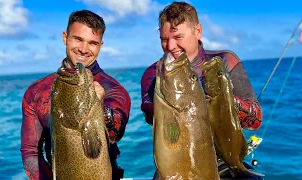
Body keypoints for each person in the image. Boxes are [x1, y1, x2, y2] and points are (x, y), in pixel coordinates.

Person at [140, 1, 263, 179]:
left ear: (197, 31)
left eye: (178, 37)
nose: (170, 46)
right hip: (178, 161)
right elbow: (150, 117)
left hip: (224, 161)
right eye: (164, 39)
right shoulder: (155, 72)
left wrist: (224, 98)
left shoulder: (224, 61)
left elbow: (255, 121)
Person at [20, 10, 131, 180]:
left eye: (92, 43)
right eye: (78, 39)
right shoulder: (36, 92)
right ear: (65, 37)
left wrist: (100, 108)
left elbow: (116, 131)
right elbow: (31, 151)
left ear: (100, 45)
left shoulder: (113, 89)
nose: (83, 49)